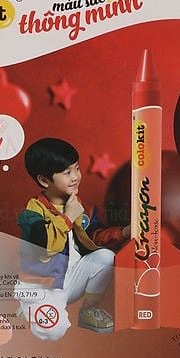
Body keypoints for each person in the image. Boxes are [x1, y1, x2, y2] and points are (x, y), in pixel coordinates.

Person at [16, 138, 130, 339]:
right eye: (67, 173)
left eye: (76, 168)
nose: (76, 176)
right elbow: (46, 248)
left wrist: (123, 233)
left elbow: (92, 237)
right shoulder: (31, 215)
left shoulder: (74, 203)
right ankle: (31, 307)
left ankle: (88, 311)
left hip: (69, 280)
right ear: (44, 181)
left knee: (105, 256)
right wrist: (68, 217)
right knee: (54, 332)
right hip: (44, 286)